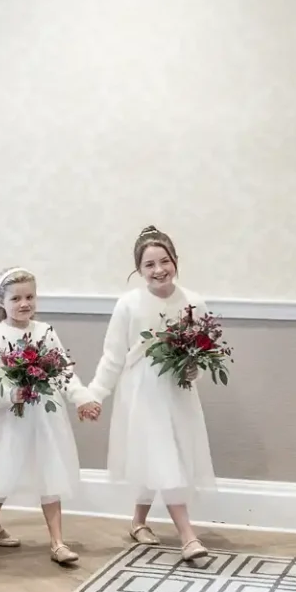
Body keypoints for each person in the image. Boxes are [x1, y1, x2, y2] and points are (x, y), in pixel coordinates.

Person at [86, 227, 217, 563]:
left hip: (177, 392)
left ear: (175, 261)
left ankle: (138, 521)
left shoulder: (194, 303)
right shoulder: (128, 305)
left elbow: (200, 352)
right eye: (149, 264)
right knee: (161, 453)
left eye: (165, 261)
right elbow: (113, 355)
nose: (159, 269)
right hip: (142, 391)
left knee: (167, 453)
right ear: (139, 270)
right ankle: (188, 536)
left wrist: (193, 370)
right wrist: (95, 395)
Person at [0, 267, 101, 565]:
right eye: (16, 298)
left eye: (30, 296)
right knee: (3, 471)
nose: (24, 303)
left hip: (44, 417)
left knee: (49, 469)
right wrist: (10, 393)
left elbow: (63, 370)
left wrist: (82, 399)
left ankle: (58, 542)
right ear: (2, 302)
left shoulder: (45, 331)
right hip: (10, 416)